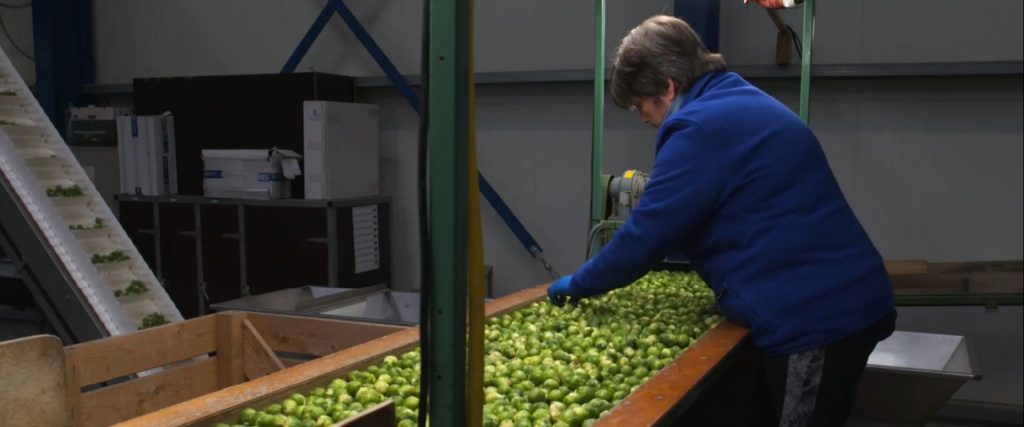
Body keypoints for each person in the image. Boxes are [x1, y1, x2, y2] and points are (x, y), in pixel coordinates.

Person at [546, 15, 895, 427]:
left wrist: (581, 283)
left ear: (669, 86)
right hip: (832, 301)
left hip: (815, 321)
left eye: (641, 106)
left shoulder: (698, 126)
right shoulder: (737, 99)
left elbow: (646, 235)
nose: (643, 119)